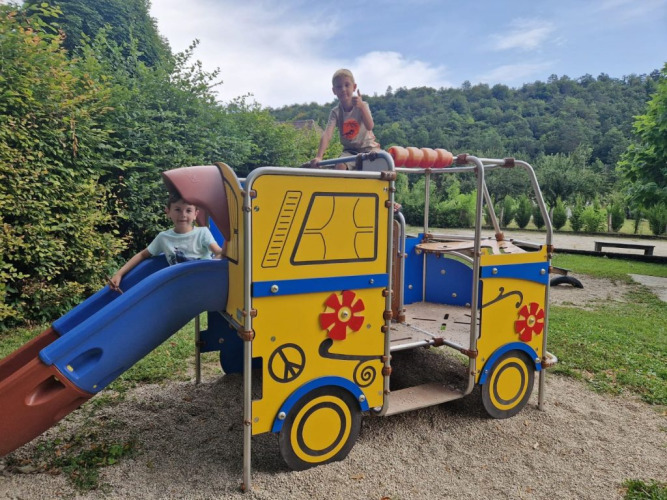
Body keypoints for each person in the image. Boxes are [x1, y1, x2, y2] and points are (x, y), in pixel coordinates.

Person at [109, 193, 225, 292]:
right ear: (168, 211)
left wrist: (213, 266)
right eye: (177, 209)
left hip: (203, 283)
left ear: (195, 214)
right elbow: (142, 255)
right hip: (180, 287)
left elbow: (219, 253)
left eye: (188, 210)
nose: (183, 215)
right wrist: (119, 274)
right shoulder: (164, 238)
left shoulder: (202, 233)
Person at [310, 69, 380, 170]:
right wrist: (319, 157)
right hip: (350, 151)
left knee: (383, 162)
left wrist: (362, 108)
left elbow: (370, 126)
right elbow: (327, 134)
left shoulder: (362, 105)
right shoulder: (335, 112)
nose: (343, 89)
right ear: (334, 91)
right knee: (340, 165)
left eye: (347, 85)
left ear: (354, 87)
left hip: (369, 148)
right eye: (339, 87)